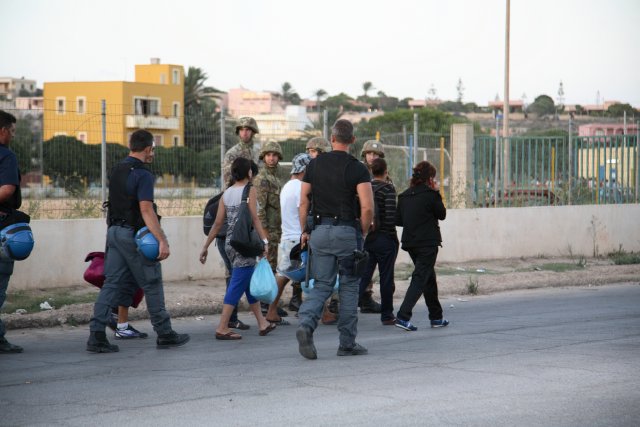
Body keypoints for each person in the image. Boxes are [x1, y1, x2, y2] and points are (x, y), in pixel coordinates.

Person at [86, 130, 190, 353]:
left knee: (111, 283)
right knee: (151, 282)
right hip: (133, 235)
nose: (153, 152)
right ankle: (165, 333)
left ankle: (96, 335)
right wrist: (162, 240)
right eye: (153, 148)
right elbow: (146, 209)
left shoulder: (117, 169)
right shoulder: (143, 174)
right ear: (148, 149)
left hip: (114, 231)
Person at [296, 119, 374, 359]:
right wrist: (361, 231)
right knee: (350, 286)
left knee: (321, 285)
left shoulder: (314, 165)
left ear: (331, 139)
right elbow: (368, 207)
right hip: (346, 232)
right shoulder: (357, 168)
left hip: (319, 231)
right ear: (352, 140)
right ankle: (347, 343)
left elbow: (303, 202)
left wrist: (305, 231)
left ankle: (306, 325)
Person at [200, 157, 276, 340]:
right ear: (249, 172)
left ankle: (262, 323)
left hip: (230, 244)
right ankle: (222, 327)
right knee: (236, 285)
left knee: (247, 284)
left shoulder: (226, 194)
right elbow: (256, 219)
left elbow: (218, 224)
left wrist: (205, 246)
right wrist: (265, 242)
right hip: (244, 245)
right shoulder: (250, 190)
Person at [394, 161, 449, 331]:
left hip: (410, 242)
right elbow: (442, 214)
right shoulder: (431, 195)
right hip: (428, 243)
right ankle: (403, 316)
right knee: (420, 278)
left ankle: (436, 317)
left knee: (428, 278)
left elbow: (399, 220)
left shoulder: (404, 196)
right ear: (430, 178)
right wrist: (436, 192)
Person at [218, 116, 262, 331]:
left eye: (248, 129)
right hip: (237, 210)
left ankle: (261, 319)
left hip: (248, 206)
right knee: (235, 272)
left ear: (253, 132)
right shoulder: (233, 153)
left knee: (245, 271)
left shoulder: (255, 152)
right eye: (242, 129)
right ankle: (230, 318)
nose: (245, 133)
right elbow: (229, 179)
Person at [357, 158, 398, 325]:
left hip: (368, 237)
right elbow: (390, 217)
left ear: (371, 171)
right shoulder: (388, 189)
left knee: (364, 276)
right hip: (385, 239)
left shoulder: (365, 188)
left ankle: (347, 309)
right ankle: (387, 315)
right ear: (386, 171)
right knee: (386, 277)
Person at [253, 141, 289, 324]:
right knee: (270, 268)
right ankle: (267, 306)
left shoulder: (279, 178)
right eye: (268, 155)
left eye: (274, 155)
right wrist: (265, 238)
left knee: (275, 269)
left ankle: (271, 304)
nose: (271, 158)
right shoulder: (262, 179)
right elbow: (260, 211)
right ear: (263, 157)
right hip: (270, 233)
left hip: (280, 232)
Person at [275, 153, 311, 314]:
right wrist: (305, 232)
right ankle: (322, 313)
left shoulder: (287, 186)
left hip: (287, 238)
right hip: (297, 239)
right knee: (316, 274)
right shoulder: (299, 186)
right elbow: (302, 209)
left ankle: (271, 311)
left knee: (283, 276)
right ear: (304, 169)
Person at [0, 111, 23, 353]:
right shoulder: (6, 156)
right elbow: (7, 190)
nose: (13, 136)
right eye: (12, 131)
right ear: (3, 131)